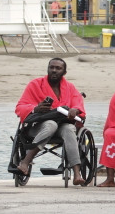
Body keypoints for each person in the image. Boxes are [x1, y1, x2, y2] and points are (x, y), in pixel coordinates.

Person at [13, 57, 89, 185]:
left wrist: (74, 110)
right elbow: (20, 107)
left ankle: (77, 173)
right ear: (47, 69)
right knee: (51, 124)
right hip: (36, 127)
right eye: (51, 67)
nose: (54, 70)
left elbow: (78, 105)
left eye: (58, 68)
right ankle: (26, 161)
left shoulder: (70, 87)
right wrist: (35, 108)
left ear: (64, 72)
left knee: (70, 129)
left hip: (62, 127)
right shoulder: (35, 85)